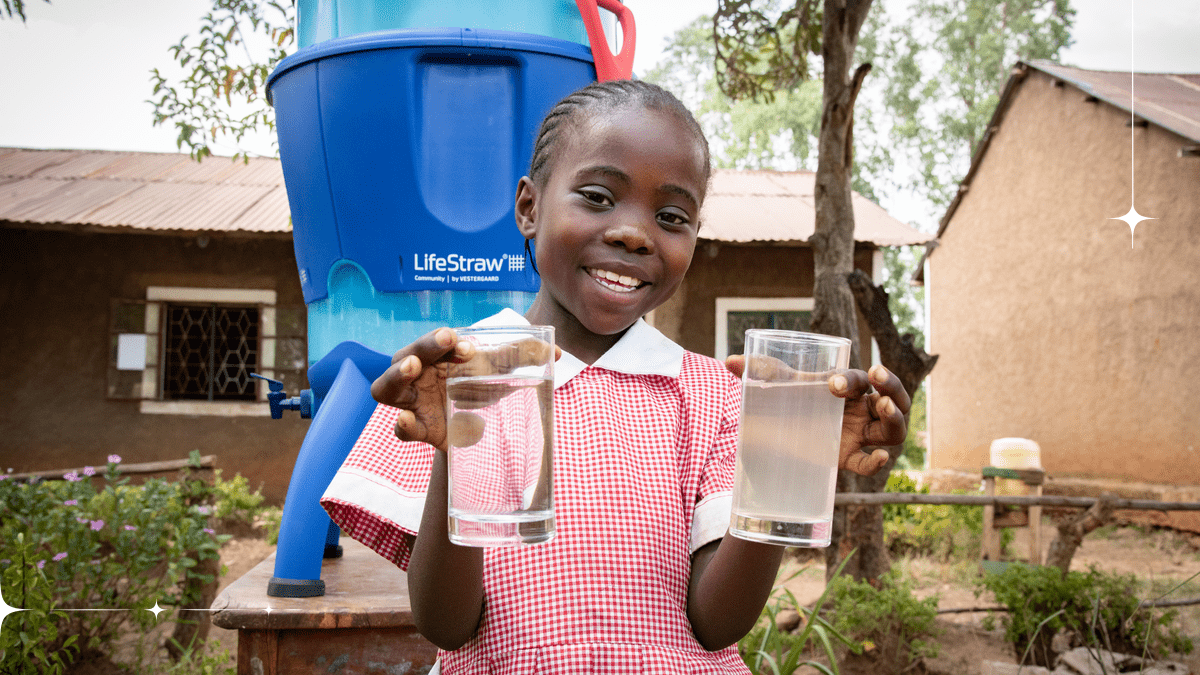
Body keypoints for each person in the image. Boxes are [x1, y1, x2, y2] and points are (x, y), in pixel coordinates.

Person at [321, 79, 910, 674]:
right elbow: (447, 626)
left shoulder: (714, 397)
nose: (634, 231)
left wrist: (789, 463)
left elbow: (717, 624)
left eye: (672, 215)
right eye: (599, 197)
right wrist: (460, 456)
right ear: (529, 207)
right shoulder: (459, 378)